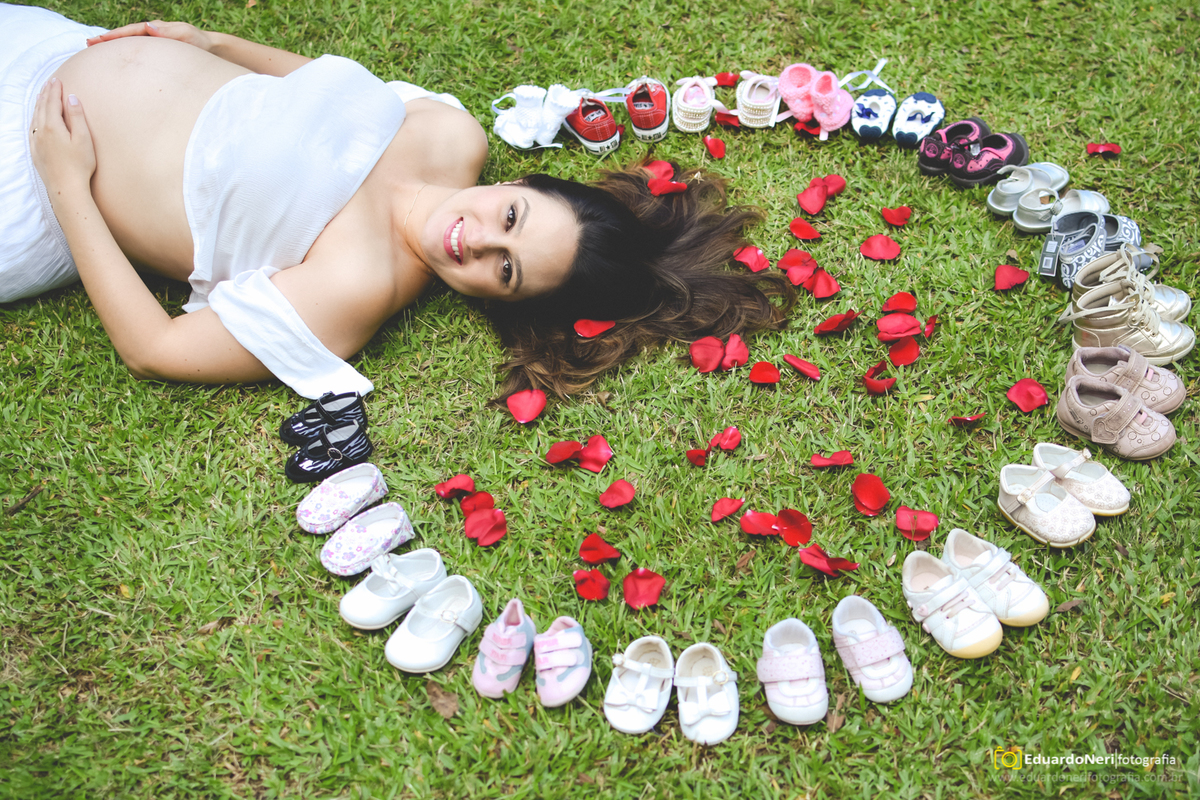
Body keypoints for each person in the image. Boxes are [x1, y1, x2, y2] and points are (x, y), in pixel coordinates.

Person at [3, 3, 793, 400]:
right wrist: (211, 45)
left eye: (505, 271)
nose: (477, 244)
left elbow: (159, 349)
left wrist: (64, 179)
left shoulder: (356, 290)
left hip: (27, 174)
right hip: (61, 43)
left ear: (501, 300)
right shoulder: (451, 135)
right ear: (517, 185)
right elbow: (327, 90)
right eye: (509, 221)